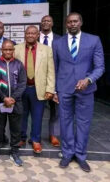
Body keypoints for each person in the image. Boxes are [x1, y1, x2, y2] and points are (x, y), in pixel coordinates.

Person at [53, 12, 104, 172]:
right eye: (69, 22)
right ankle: (67, 153)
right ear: (66, 24)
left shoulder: (93, 40)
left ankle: (81, 155)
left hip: (86, 90)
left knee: (83, 123)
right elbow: (54, 68)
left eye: (75, 21)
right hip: (64, 89)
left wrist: (88, 80)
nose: (72, 24)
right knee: (65, 121)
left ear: (80, 22)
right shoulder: (58, 43)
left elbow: (100, 67)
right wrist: (54, 90)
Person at [14, 25, 55, 153]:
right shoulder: (16, 49)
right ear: (25, 35)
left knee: (38, 116)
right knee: (22, 115)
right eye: (28, 33)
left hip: (39, 89)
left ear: (38, 35)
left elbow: (51, 71)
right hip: (21, 89)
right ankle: (21, 138)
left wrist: (50, 89)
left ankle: (36, 140)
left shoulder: (46, 50)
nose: (30, 35)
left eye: (33, 33)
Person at [0, 40, 27, 166]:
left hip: (16, 102)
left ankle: (15, 151)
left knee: (15, 129)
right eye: (5, 49)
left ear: (13, 50)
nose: (7, 52)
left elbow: (22, 84)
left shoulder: (19, 64)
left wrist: (13, 98)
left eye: (10, 49)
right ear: (1, 50)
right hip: (0, 102)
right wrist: (4, 97)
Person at [39, 15, 61, 147]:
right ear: (41, 23)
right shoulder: (34, 38)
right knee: (37, 110)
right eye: (43, 21)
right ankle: (35, 135)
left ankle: (53, 134)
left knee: (55, 110)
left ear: (52, 23)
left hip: (56, 78)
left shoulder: (60, 39)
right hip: (38, 80)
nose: (46, 23)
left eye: (48, 21)